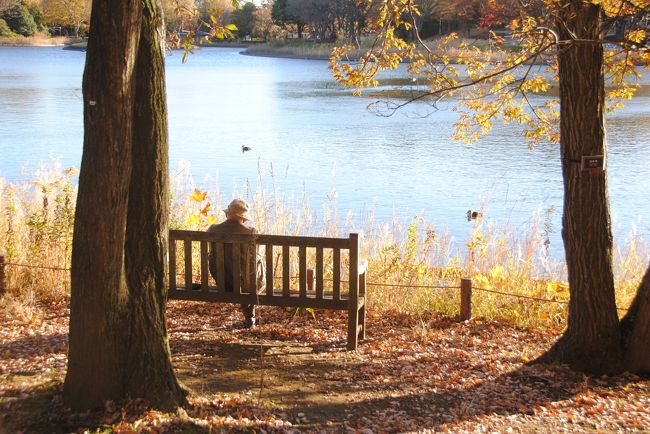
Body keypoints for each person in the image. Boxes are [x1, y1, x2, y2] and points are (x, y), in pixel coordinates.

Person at [208, 198, 264, 328]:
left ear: (227, 214)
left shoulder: (213, 230)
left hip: (224, 281)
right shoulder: (251, 232)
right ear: (243, 218)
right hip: (246, 283)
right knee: (252, 272)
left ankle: (250, 318)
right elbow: (255, 258)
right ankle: (250, 317)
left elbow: (211, 255)